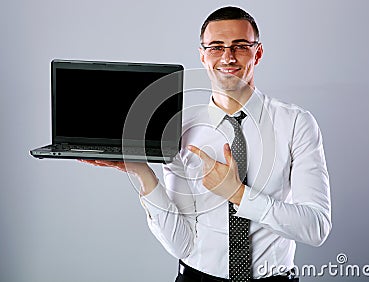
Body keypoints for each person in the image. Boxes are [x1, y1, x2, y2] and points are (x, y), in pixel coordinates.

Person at [82, 6, 331, 282]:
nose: (227, 57)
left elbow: (316, 228)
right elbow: (182, 244)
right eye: (216, 47)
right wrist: (140, 171)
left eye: (240, 46)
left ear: (257, 53)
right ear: (202, 55)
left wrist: (238, 193)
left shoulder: (296, 124)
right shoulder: (181, 130)